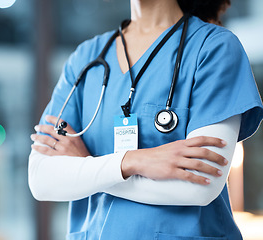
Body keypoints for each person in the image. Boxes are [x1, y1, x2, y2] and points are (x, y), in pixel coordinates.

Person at [29, 0, 263, 239]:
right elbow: (42, 179)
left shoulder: (214, 48)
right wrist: (133, 161)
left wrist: (87, 166)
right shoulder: (86, 58)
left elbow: (200, 184)